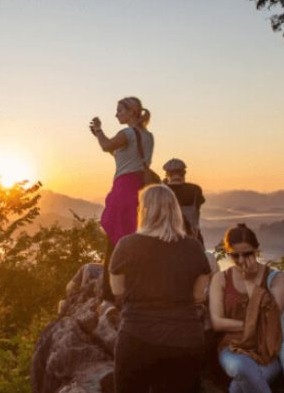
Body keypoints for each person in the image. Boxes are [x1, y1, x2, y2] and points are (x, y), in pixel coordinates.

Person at [109, 184, 211, 393]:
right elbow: (198, 296)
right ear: (175, 211)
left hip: (137, 336)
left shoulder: (127, 245)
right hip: (185, 339)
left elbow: (117, 290)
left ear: (144, 211)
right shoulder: (194, 247)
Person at [210, 224, 284, 393]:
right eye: (235, 255)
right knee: (241, 368)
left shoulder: (276, 279)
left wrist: (249, 282)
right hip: (232, 347)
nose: (241, 261)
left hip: (267, 350)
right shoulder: (221, 279)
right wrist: (253, 324)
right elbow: (217, 322)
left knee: (237, 387)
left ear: (257, 250)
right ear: (227, 253)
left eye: (247, 254)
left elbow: (271, 318)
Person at [90, 96, 154, 302]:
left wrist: (99, 132)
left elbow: (106, 146)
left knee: (116, 240)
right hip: (141, 189)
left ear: (132, 112)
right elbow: (125, 157)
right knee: (133, 238)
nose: (116, 114)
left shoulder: (127, 133)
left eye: (119, 110)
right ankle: (136, 286)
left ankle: (111, 293)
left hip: (124, 189)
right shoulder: (148, 136)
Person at [163, 158, 206, 244]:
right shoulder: (195, 189)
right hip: (194, 239)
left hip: (168, 239)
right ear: (184, 173)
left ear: (167, 174)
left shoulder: (162, 190)